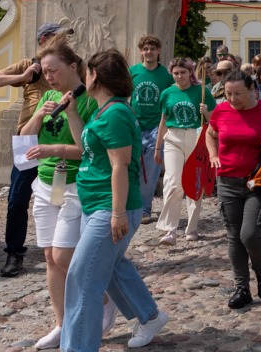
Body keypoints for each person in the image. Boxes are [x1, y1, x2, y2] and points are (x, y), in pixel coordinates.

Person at [61, 49, 168, 352]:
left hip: (111, 206)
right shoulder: (102, 111)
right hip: (97, 204)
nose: (83, 76)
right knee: (110, 268)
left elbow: (120, 165)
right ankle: (150, 316)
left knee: (82, 280)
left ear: (95, 75)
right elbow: (88, 148)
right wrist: (71, 113)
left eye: (86, 71)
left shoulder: (116, 113)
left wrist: (118, 213)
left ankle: (78, 347)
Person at [18, 43, 98, 349]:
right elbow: (25, 136)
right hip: (46, 184)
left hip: (75, 185)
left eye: (54, 70)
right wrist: (38, 114)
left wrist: (54, 148)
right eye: (45, 72)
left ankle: (103, 300)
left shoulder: (89, 100)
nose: (49, 77)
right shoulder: (49, 96)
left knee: (66, 256)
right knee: (50, 257)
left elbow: (86, 149)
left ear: (73, 67)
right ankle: (62, 324)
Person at [0, 21, 69, 277]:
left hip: (57, 141)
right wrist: (21, 78)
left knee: (59, 198)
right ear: (44, 40)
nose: (63, 42)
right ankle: (14, 253)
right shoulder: (29, 65)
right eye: (58, 38)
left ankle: (60, 250)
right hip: (28, 142)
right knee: (17, 199)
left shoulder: (71, 66)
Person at [207, 70, 261, 309]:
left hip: (257, 181)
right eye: (228, 93)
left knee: (250, 234)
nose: (232, 99)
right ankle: (242, 287)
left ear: (252, 89)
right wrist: (213, 155)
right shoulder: (221, 111)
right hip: (228, 181)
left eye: (238, 94)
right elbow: (210, 135)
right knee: (234, 236)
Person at [153, 58, 215, 245]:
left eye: (183, 72)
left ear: (190, 73)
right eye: (176, 73)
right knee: (172, 183)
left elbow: (214, 120)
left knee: (194, 184)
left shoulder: (202, 92)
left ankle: (192, 227)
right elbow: (163, 121)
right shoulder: (167, 93)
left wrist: (206, 112)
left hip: (195, 137)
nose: (179, 76)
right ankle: (170, 229)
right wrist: (157, 147)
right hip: (173, 138)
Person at [129, 36, 172, 221]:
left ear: (158, 51)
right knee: (132, 168)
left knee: (151, 169)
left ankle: (145, 209)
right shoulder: (133, 72)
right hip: (135, 125)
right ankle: (130, 205)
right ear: (141, 51)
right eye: (146, 49)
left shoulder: (166, 76)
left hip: (156, 127)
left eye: (152, 49)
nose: (149, 52)